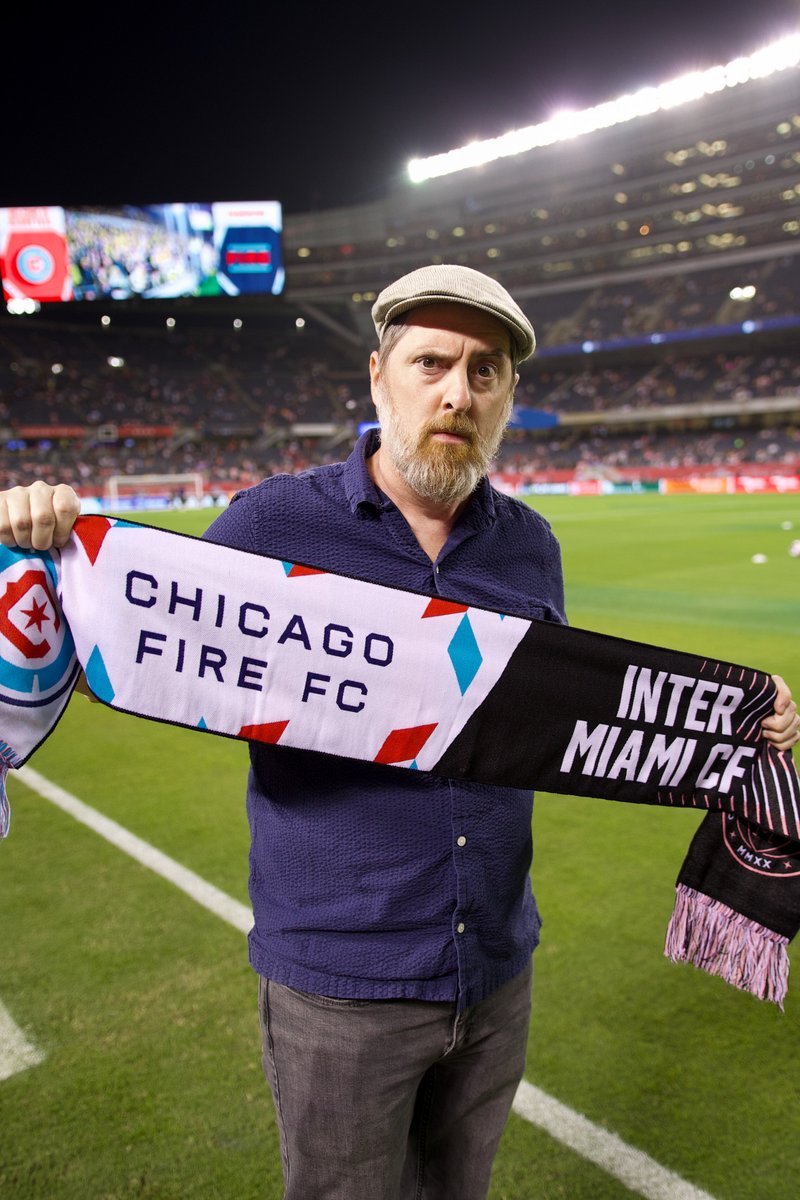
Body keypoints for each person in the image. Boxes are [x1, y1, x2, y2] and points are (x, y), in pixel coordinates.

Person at [1, 264, 798, 1200]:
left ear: (507, 397)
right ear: (379, 377)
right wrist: (39, 546)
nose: (458, 391)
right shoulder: (274, 519)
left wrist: (737, 719)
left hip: (498, 972)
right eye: (432, 362)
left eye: (486, 371)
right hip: (341, 986)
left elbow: (570, 716)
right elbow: (145, 640)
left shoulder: (530, 545)